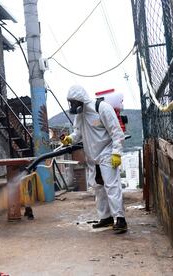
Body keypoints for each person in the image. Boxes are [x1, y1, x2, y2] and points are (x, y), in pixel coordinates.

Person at [61, 84, 127, 233]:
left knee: (111, 186)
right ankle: (106, 218)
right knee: (98, 187)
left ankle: (120, 219)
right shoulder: (80, 114)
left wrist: (116, 153)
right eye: (70, 102)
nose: (72, 105)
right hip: (92, 156)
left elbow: (116, 133)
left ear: (81, 99)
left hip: (107, 152)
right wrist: (69, 139)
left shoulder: (101, 108)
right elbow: (77, 133)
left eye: (73, 102)